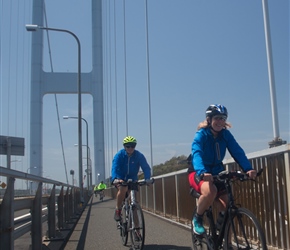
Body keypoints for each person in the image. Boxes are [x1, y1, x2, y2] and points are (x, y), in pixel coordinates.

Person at [188, 104, 257, 235]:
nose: (220, 122)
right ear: (209, 119)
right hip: (198, 172)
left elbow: (237, 151)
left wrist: (248, 168)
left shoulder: (225, 135)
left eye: (223, 118)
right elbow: (197, 153)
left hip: (217, 172)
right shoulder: (201, 135)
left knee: (228, 208)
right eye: (217, 118)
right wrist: (202, 172)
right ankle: (198, 218)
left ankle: (227, 244)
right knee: (210, 191)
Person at [111, 136, 151, 221]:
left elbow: (146, 168)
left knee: (134, 206)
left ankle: (136, 231)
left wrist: (147, 178)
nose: (130, 148)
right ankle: (118, 209)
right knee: (123, 188)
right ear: (124, 146)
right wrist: (115, 178)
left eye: (132, 146)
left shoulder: (139, 155)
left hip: (133, 178)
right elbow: (114, 168)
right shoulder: (119, 155)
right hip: (121, 178)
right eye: (128, 146)